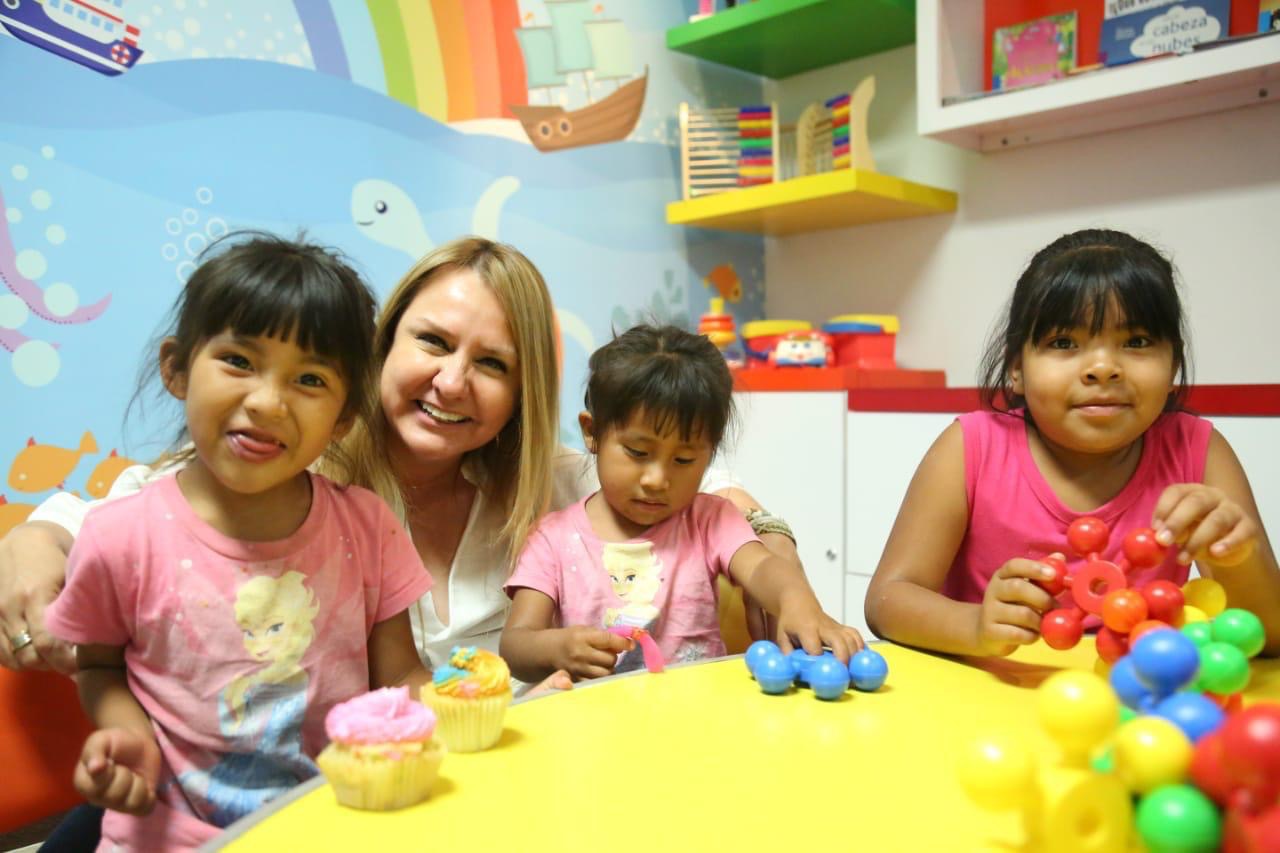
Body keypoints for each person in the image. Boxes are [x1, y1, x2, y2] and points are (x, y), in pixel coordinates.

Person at [2, 237, 795, 676]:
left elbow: (713, 491)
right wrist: (34, 540)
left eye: (492, 364)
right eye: (434, 342)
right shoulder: (289, 469)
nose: (452, 381)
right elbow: (118, 507)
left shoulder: (552, 484)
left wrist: (778, 555)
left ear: (522, 395)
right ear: (383, 347)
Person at [42, 233, 433, 850]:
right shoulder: (119, 535)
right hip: (165, 836)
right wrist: (126, 735)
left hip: (332, 830)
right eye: (239, 361)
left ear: (345, 417)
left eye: (310, 379)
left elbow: (402, 673)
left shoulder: (367, 526)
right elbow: (98, 666)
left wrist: (458, 711)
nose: (268, 403)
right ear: (177, 368)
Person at [864, 229, 1280, 658]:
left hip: (1136, 693)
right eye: (1064, 343)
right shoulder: (971, 449)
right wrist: (974, 627)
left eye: (1136, 342)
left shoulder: (1198, 451)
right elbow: (887, 601)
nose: (1103, 368)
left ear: (1173, 364)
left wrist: (1237, 559)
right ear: (1016, 368)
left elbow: (1271, 638)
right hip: (993, 688)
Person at [501, 324, 863, 682]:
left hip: (697, 712)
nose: (657, 479)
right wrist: (556, 648)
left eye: (684, 460)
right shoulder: (552, 538)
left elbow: (762, 567)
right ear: (592, 432)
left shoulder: (711, 520)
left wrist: (795, 599)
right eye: (638, 452)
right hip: (597, 717)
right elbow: (516, 645)